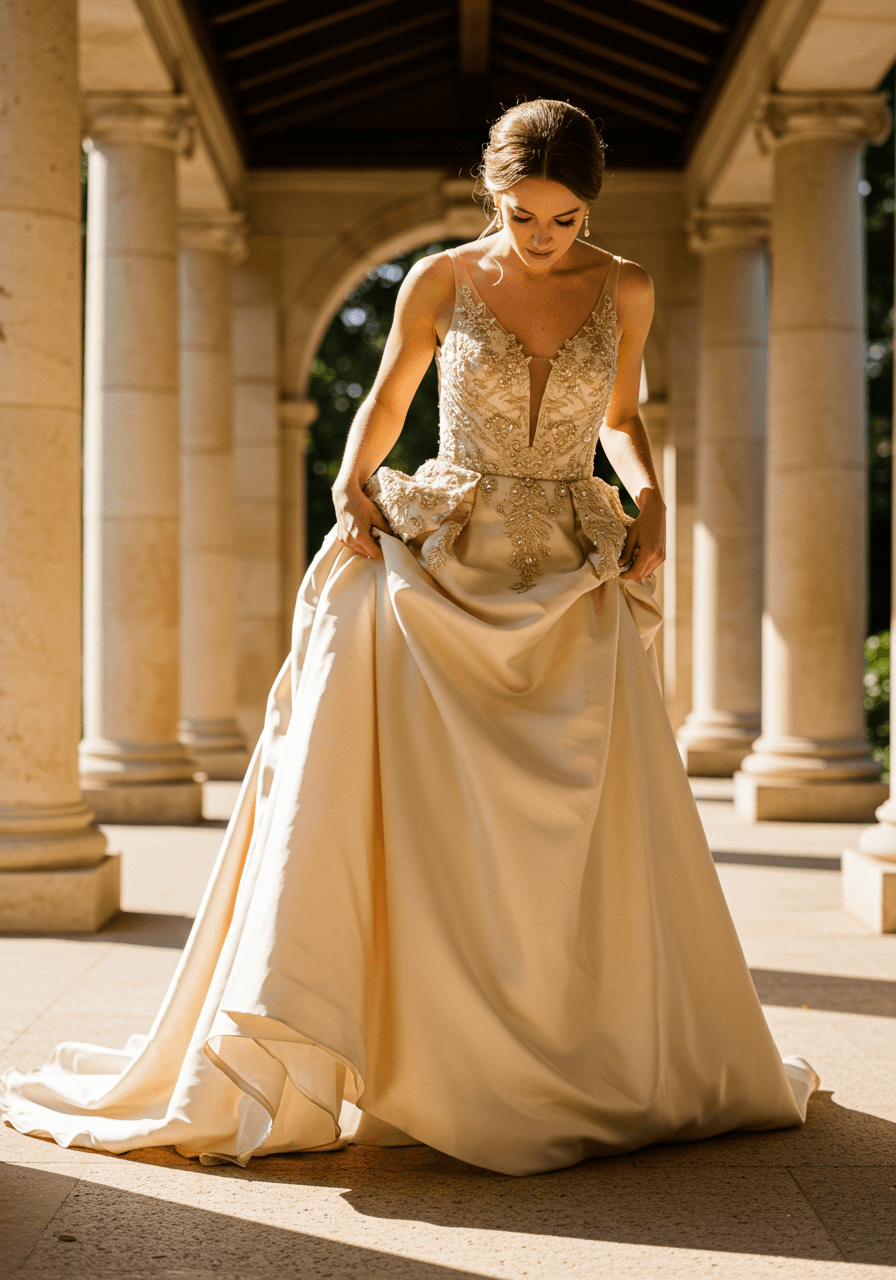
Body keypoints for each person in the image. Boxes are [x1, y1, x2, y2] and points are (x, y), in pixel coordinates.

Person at [0, 99, 817, 1176]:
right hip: (455, 544)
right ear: (493, 194)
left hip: (572, 561)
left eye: (564, 218)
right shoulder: (438, 280)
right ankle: (423, 1045)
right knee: (431, 799)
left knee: (570, 815)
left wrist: (653, 497)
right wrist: (347, 477)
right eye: (525, 215)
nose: (543, 236)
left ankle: (572, 1038)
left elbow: (619, 415)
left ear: (589, 208)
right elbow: (387, 398)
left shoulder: (625, 284)